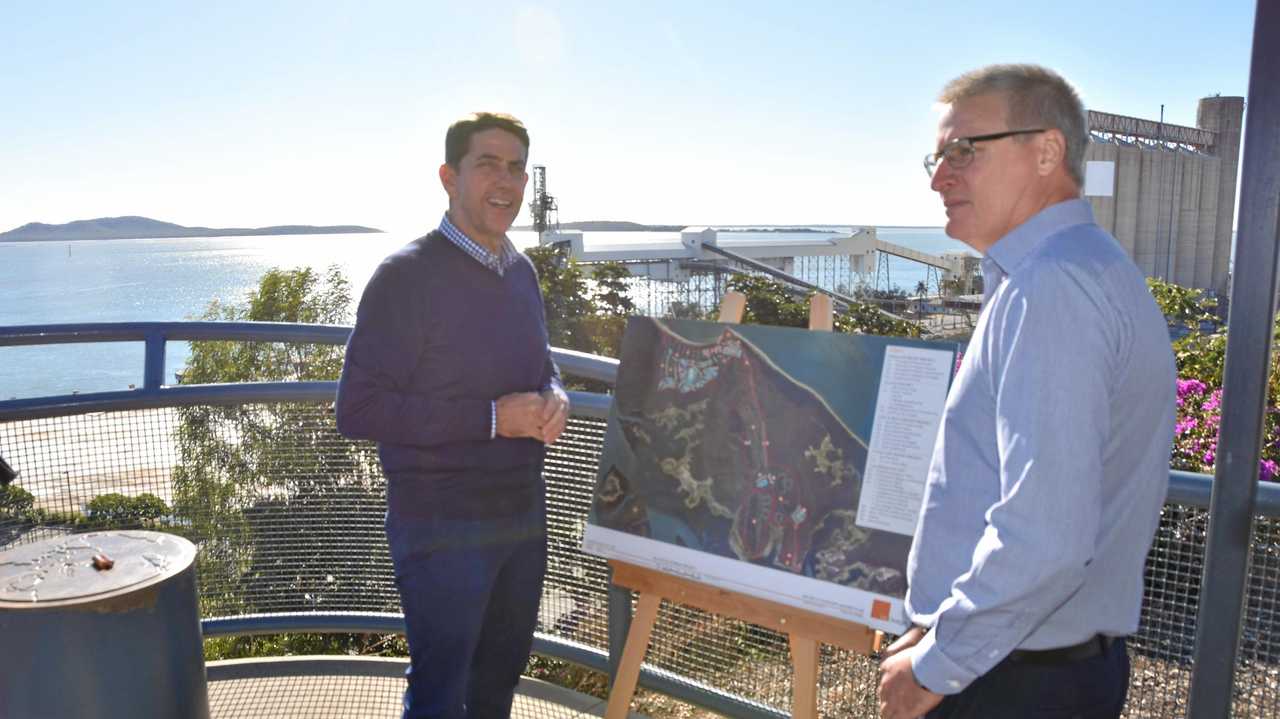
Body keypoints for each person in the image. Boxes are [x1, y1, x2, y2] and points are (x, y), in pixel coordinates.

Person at [878, 65, 1176, 719]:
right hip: (1026, 665)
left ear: (1047, 151)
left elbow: (1045, 537)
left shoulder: (1050, 290)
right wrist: (935, 628)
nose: (938, 176)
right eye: (936, 155)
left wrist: (934, 666)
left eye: (964, 151)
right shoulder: (1083, 268)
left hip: (1010, 685)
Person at [335, 111, 569, 719]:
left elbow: (540, 363)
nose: (506, 181)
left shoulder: (522, 272)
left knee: (497, 682)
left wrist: (557, 393)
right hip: (440, 524)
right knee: (441, 691)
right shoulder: (406, 276)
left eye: (516, 167)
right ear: (449, 176)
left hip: (522, 515)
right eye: (487, 163)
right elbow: (359, 409)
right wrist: (492, 419)